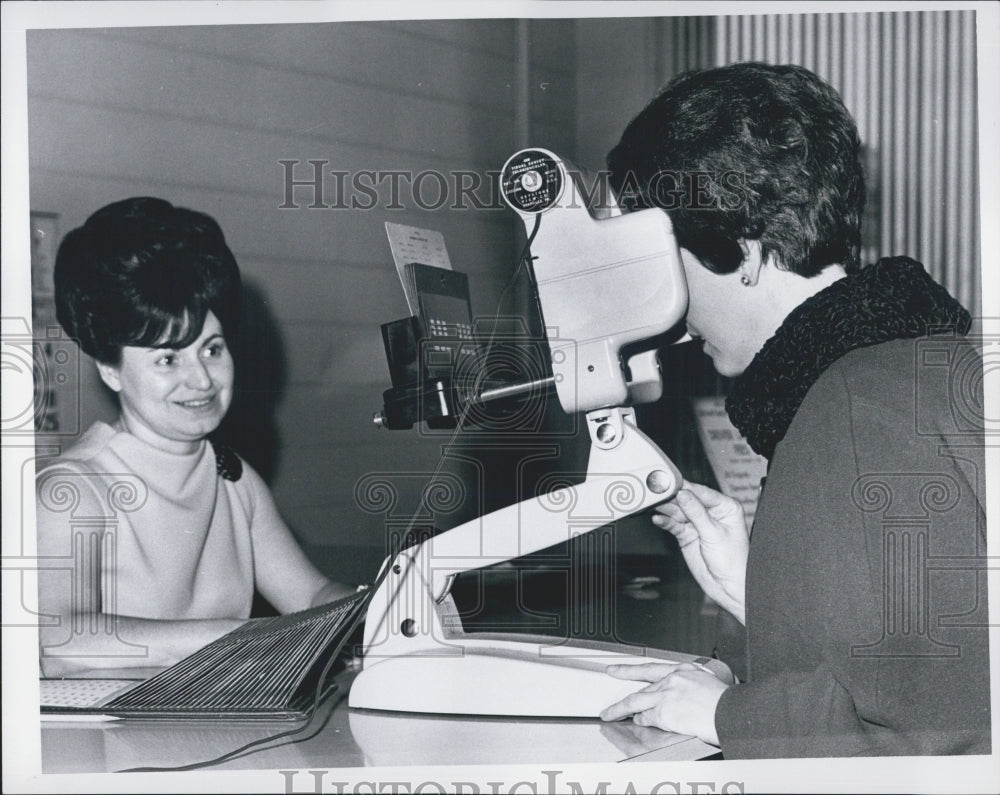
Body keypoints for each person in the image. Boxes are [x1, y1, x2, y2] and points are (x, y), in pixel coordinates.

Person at [598, 63, 990, 757]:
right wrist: (761, 596)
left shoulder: (854, 406)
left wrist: (725, 715)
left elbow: (944, 750)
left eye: (669, 264)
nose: (675, 320)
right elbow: (911, 665)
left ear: (745, 253)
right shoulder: (905, 367)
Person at [36, 197, 356, 677]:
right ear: (110, 369)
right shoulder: (73, 491)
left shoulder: (233, 479)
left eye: (212, 349)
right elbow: (55, 643)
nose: (203, 380)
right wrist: (237, 639)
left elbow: (309, 597)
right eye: (168, 358)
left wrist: (373, 608)